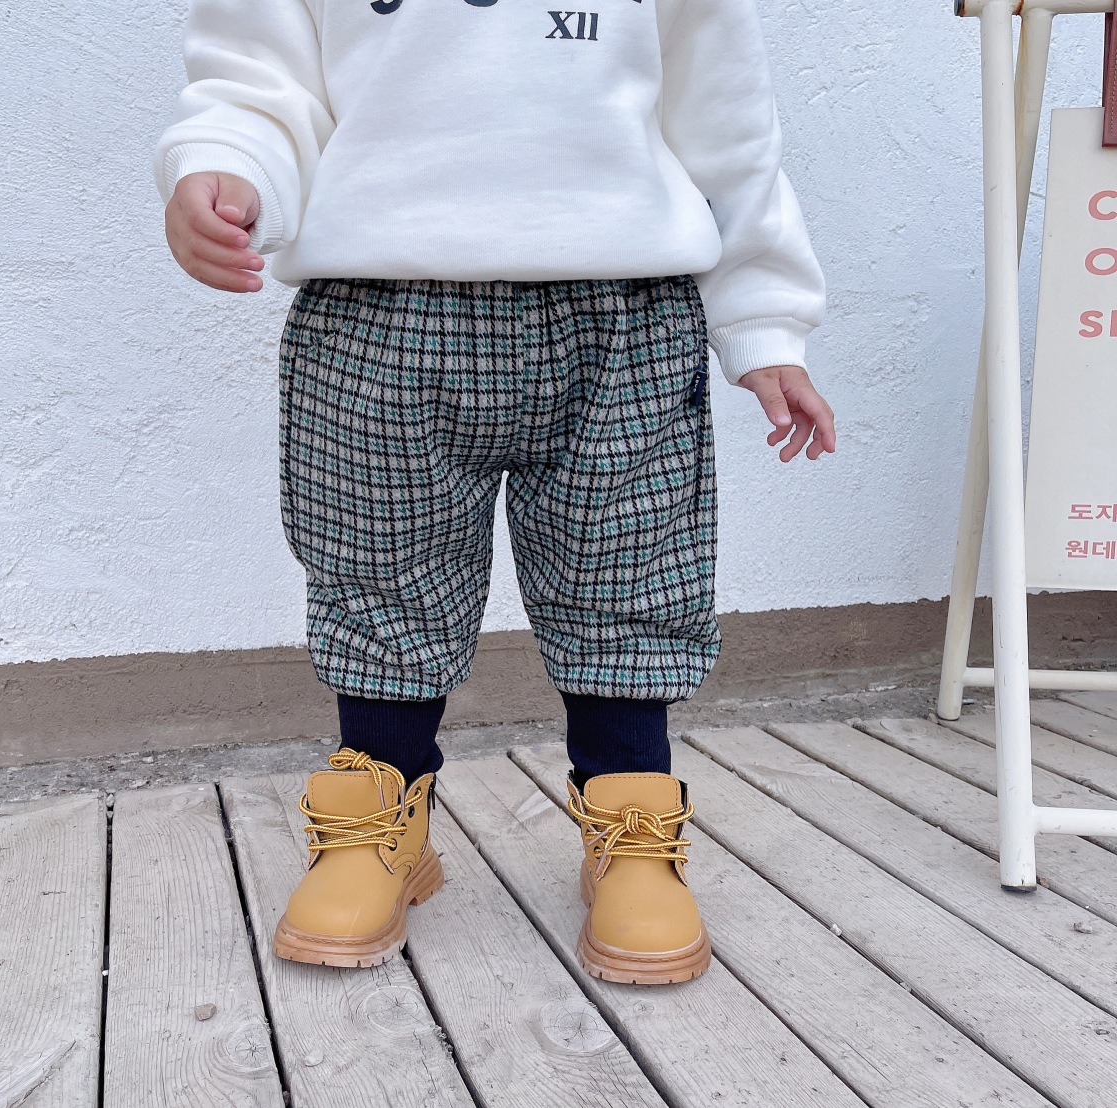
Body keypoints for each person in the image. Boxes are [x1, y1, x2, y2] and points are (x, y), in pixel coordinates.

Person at [154, 0, 834, 986]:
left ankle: (630, 818)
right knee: (381, 570)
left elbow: (722, 115)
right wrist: (226, 164)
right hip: (377, 298)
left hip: (625, 300)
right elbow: (261, 80)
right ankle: (380, 821)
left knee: (626, 569)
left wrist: (765, 315)